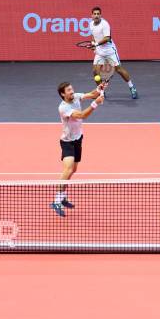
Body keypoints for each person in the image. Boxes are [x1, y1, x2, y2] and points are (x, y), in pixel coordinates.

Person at [50, 81, 105, 217]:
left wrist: (99, 89)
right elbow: (82, 116)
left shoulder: (75, 97)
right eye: (69, 90)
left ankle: (62, 197)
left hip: (78, 139)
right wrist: (95, 103)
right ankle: (56, 201)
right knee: (68, 169)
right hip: (67, 142)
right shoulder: (63, 108)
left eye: (71, 89)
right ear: (63, 94)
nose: (72, 91)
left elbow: (92, 94)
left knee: (73, 170)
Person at [89, 6, 138, 100]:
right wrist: (93, 44)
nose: (96, 16)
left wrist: (96, 44)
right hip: (99, 52)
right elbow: (93, 35)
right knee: (95, 72)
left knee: (119, 70)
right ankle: (101, 91)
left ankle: (132, 87)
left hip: (110, 51)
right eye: (94, 14)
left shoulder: (105, 24)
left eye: (98, 14)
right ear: (91, 15)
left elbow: (107, 38)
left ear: (100, 15)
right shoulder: (91, 24)